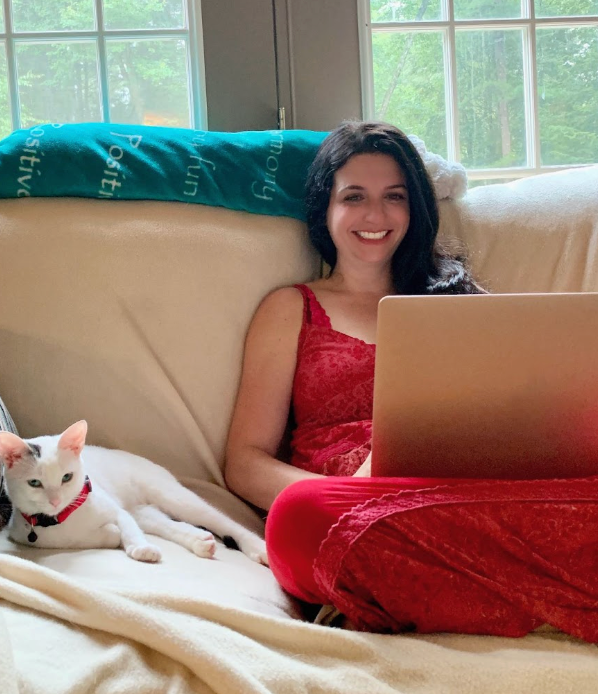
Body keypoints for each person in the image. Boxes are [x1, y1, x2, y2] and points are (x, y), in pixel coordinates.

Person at [224, 120, 598, 639]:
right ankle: (536, 598)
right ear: (324, 209)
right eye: (354, 196)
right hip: (350, 511)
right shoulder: (290, 308)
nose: (375, 215)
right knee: (297, 519)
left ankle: (461, 599)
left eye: (393, 197)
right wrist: (348, 493)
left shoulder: (463, 307)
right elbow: (244, 464)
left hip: (461, 498)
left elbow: (517, 429)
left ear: (414, 208)